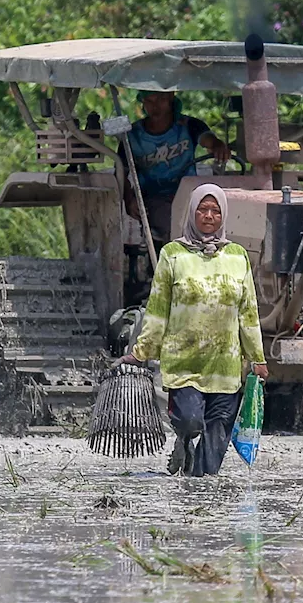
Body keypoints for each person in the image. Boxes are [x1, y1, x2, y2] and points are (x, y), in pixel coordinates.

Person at [121, 184, 268, 476]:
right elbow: (158, 309)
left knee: (216, 441)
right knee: (190, 421)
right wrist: (141, 353)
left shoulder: (237, 256)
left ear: (223, 215)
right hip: (185, 361)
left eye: (215, 210)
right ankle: (184, 442)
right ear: (192, 213)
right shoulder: (173, 254)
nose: (209, 216)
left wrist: (257, 358)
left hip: (225, 365)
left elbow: (248, 313)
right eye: (203, 209)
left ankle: (199, 493)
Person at [123, 91, 230, 246]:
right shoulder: (133, 136)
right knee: (175, 228)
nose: (155, 106)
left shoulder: (189, 125)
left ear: (171, 98)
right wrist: (129, 199)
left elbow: (208, 140)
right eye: (149, 101)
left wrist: (217, 146)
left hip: (190, 196)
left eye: (161, 100)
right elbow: (121, 172)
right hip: (154, 199)